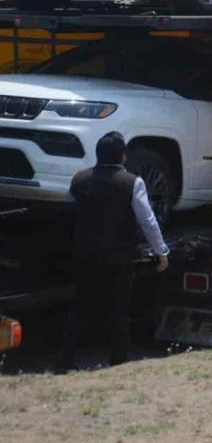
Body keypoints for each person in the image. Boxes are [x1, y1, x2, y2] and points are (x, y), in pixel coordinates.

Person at [59, 132, 169, 371]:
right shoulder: (132, 182)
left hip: (84, 254)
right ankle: (118, 361)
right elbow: (147, 220)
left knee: (79, 308)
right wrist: (160, 251)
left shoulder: (79, 179)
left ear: (97, 154)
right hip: (119, 257)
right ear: (123, 155)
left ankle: (65, 360)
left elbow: (69, 212)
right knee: (118, 309)